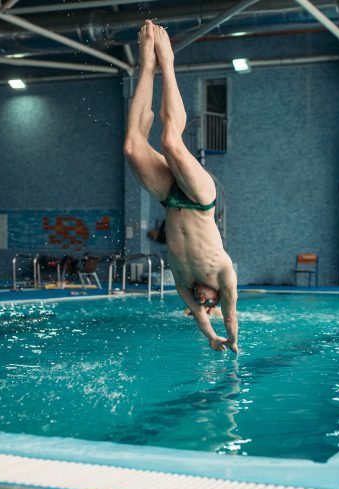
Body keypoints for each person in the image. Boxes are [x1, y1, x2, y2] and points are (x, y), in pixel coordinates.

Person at [123, 20, 239, 353]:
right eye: (208, 303)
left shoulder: (183, 283)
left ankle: (146, 66)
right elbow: (229, 316)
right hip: (201, 199)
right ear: (216, 297)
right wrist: (230, 339)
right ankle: (168, 64)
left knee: (132, 145)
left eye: (201, 304)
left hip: (170, 200)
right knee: (171, 142)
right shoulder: (224, 278)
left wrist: (210, 338)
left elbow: (202, 319)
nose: (203, 303)